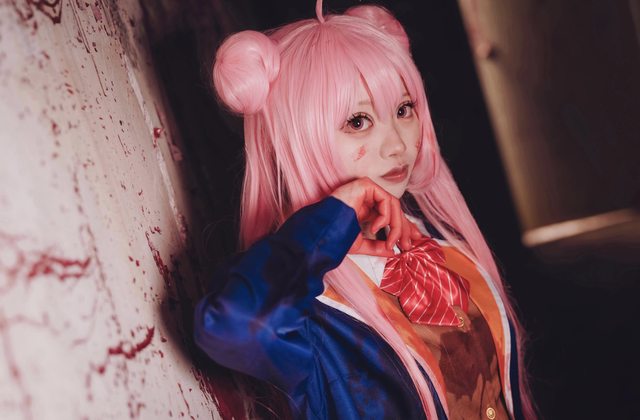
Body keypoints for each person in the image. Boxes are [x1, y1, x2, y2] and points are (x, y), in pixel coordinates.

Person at [194, 1, 535, 418]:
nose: (397, 144)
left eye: (403, 110)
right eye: (358, 121)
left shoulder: (441, 247)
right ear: (299, 138)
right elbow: (230, 324)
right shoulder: (305, 304)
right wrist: (334, 218)